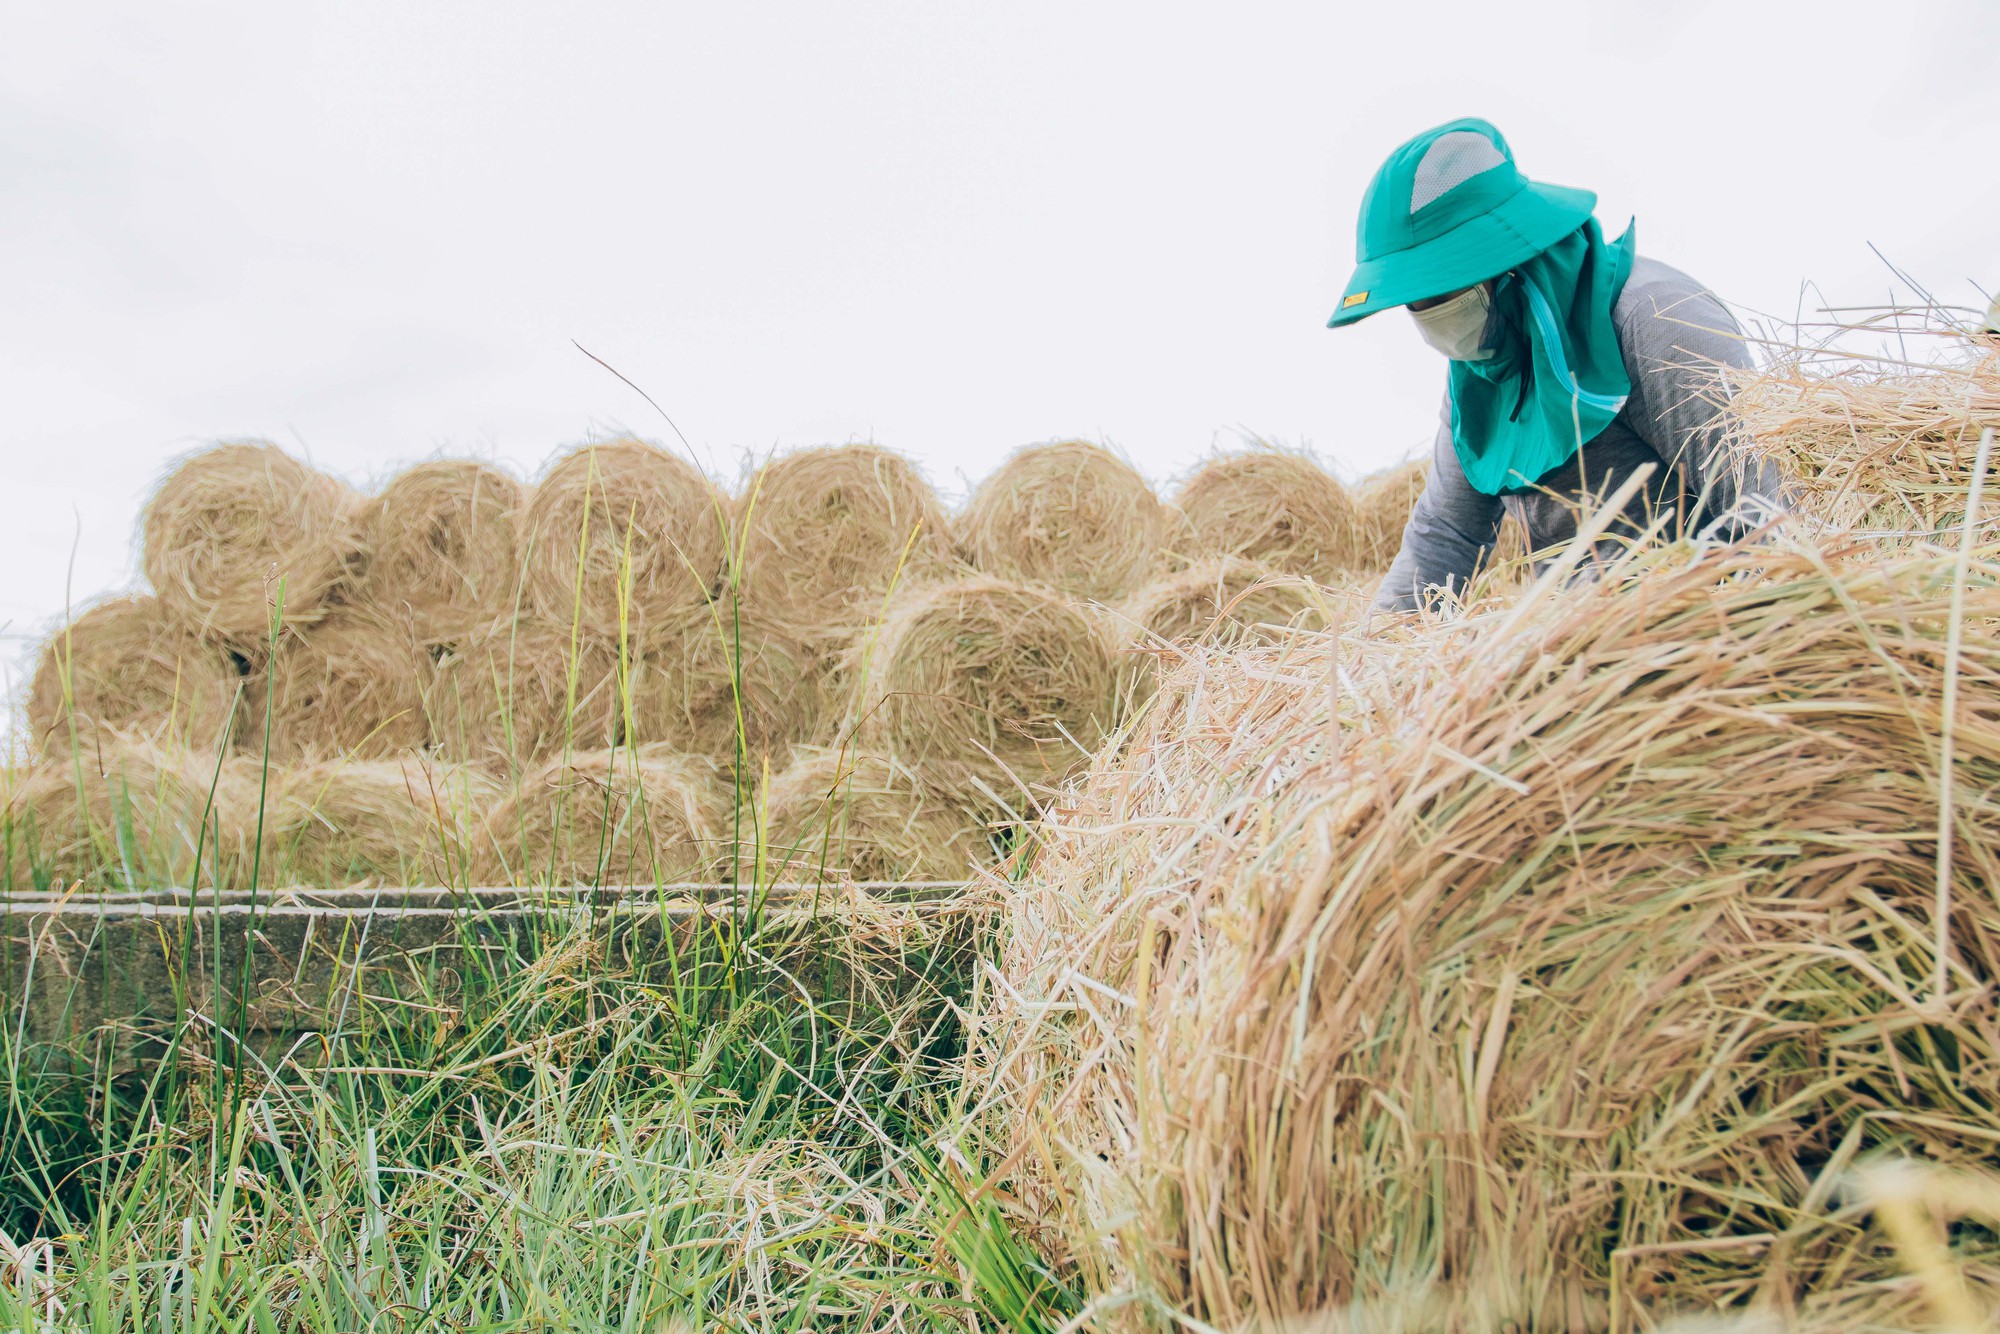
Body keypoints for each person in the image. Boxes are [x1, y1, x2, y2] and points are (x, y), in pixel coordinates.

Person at [1327, 118, 1783, 612]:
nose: (1424, 315)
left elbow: (1769, 512)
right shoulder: (1482, 371)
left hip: (1698, 640)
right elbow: (1444, 536)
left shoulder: (1656, 320)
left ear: (1502, 266)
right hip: (1577, 657)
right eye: (1412, 301)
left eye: (1438, 291)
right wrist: (1368, 666)